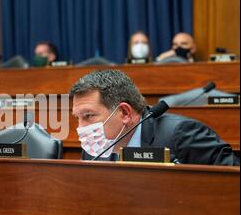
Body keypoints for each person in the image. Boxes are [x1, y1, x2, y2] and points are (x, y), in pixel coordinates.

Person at [69, 69, 239, 165]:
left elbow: (231, 182)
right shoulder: (94, 149)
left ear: (125, 113)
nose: (81, 127)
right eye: (78, 118)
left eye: (88, 116)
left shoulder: (180, 135)